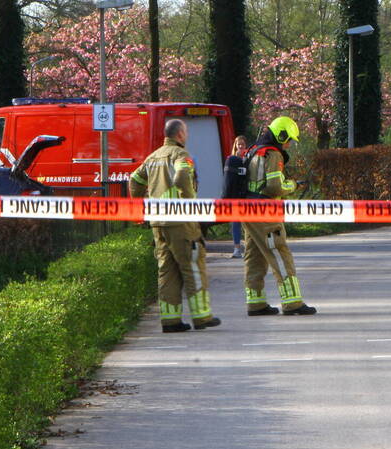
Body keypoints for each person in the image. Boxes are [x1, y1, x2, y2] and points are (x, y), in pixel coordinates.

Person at [130, 119, 220, 333]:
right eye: (186, 132)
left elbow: (134, 180)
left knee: (166, 270)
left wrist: (138, 207)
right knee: (193, 266)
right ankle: (201, 316)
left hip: (157, 222)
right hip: (180, 221)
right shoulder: (180, 155)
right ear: (180, 134)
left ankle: (170, 320)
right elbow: (181, 177)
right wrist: (188, 203)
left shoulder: (152, 158)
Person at [242, 116, 317, 316]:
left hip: (246, 210)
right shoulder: (273, 154)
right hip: (265, 211)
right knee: (280, 252)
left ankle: (255, 302)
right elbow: (274, 186)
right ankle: (292, 302)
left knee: (254, 256)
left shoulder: (253, 150)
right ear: (280, 135)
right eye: (288, 139)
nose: (289, 144)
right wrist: (292, 185)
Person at [223, 135, 248, 258]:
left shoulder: (249, 159)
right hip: (235, 197)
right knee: (236, 223)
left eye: (243, 145)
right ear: (235, 146)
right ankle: (237, 249)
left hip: (247, 196)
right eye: (239, 145)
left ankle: (249, 248)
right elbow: (228, 181)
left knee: (248, 223)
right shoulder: (231, 159)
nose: (241, 147)